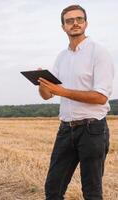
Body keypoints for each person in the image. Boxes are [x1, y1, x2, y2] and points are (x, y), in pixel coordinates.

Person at [38, 5, 114, 200]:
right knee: (53, 190)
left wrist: (62, 91)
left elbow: (100, 97)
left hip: (92, 130)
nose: (75, 23)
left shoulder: (99, 53)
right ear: (63, 27)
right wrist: (42, 83)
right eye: (69, 21)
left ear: (86, 23)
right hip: (65, 129)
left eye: (79, 19)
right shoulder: (61, 57)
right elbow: (47, 96)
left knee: (91, 192)